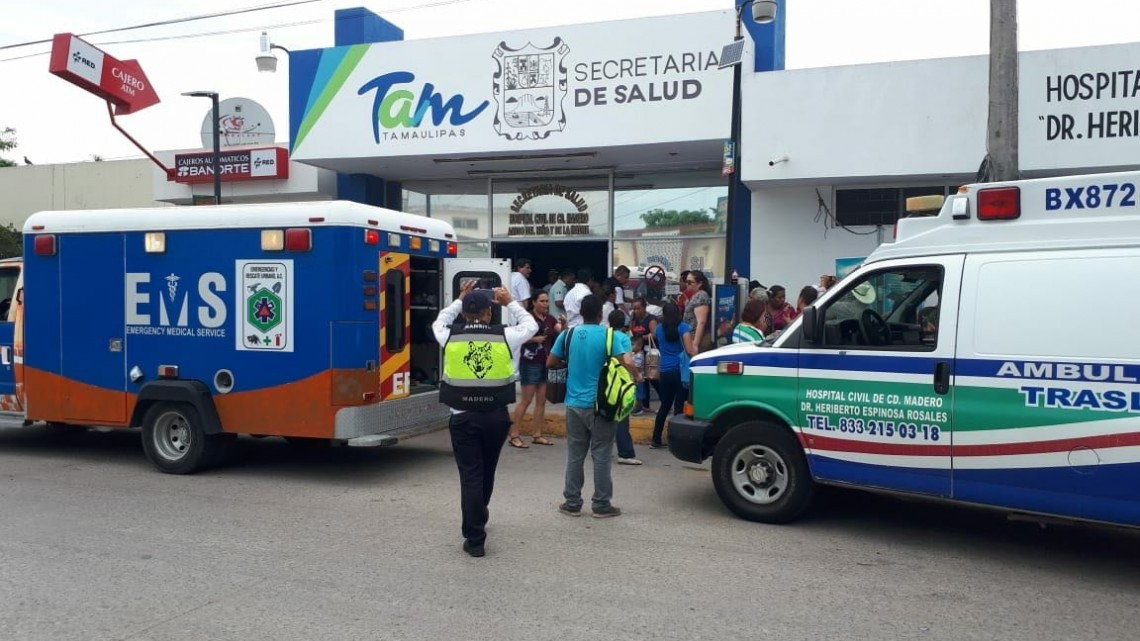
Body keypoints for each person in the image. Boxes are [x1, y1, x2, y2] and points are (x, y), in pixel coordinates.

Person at [433, 281, 537, 558]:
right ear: (489, 313)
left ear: (464, 314)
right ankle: (479, 514)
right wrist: (510, 301)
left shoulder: (449, 335)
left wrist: (459, 298)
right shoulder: (505, 335)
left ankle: (475, 538)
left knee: (471, 476)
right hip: (495, 417)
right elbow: (531, 326)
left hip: (462, 418)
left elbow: (439, 320)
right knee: (487, 471)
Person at [547, 294, 635, 518]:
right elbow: (624, 363)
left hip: (573, 403)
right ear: (600, 314)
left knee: (575, 455)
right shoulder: (609, 336)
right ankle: (601, 505)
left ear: (581, 313)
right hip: (601, 405)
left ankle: (572, 503)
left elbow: (550, 362)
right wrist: (635, 377)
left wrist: (571, 361)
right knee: (602, 453)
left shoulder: (568, 335)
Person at [509, 291, 560, 449]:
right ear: (534, 302)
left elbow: (560, 331)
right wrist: (533, 339)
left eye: (546, 301)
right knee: (526, 400)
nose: (545, 304)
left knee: (541, 400)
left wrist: (564, 324)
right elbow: (516, 337)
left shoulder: (550, 319)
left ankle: (537, 434)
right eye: (542, 301)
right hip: (530, 362)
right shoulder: (527, 319)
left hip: (545, 362)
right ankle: (514, 434)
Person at [651, 302, 694, 449]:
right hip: (681, 371)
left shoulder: (658, 329)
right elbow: (689, 350)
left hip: (664, 371)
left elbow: (656, 338)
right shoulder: (684, 328)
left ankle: (656, 439)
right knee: (679, 406)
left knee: (665, 405)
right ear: (678, 313)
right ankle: (676, 441)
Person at [608, 309, 642, 466]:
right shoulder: (623, 338)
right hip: (620, 381)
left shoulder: (605, 336)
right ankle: (625, 452)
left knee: (604, 415)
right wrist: (637, 375)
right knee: (622, 417)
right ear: (624, 324)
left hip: (605, 379)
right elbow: (628, 361)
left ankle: (599, 449)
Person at [628, 298, 658, 414]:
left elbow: (655, 334)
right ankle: (644, 404)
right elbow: (631, 332)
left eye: (638, 308)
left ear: (644, 307)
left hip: (649, 352)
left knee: (653, 378)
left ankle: (665, 401)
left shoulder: (650, 319)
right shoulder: (634, 319)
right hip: (638, 354)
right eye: (634, 309)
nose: (636, 311)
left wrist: (642, 338)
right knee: (641, 380)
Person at [683, 270, 713, 353]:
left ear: (699, 284)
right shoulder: (697, 295)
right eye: (686, 281)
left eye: (690, 282)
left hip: (697, 339)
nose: (687, 284)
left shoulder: (701, 296)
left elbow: (701, 322)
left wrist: (695, 344)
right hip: (692, 337)